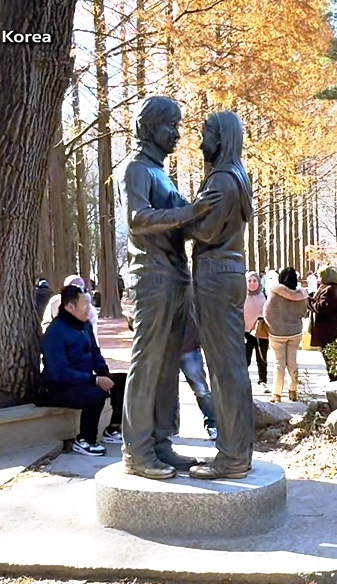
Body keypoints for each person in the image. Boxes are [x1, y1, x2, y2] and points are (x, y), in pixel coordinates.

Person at [118, 95, 220, 480]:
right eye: (171, 126)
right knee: (147, 363)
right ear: (150, 127)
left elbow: (186, 222)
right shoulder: (135, 169)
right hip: (152, 276)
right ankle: (137, 450)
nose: (177, 134)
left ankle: (160, 443)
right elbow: (138, 218)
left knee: (166, 367)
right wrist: (189, 211)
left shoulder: (161, 173)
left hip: (177, 277)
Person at [185, 110, 255, 480]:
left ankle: (231, 456)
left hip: (215, 273)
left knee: (224, 368)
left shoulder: (222, 181)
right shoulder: (237, 176)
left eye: (206, 134)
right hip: (230, 272)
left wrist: (183, 216)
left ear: (222, 138)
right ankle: (239, 448)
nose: (200, 142)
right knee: (230, 367)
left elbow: (206, 230)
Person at [40, 285, 125, 456]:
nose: (90, 308)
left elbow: (94, 352)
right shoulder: (55, 333)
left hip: (82, 381)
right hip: (57, 388)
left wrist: (103, 373)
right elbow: (59, 373)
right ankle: (85, 440)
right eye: (85, 303)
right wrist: (94, 380)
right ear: (70, 307)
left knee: (121, 380)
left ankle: (113, 428)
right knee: (95, 394)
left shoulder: (84, 326)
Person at [264, 267, 308, 403]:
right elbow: (304, 313)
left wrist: (271, 326)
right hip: (295, 332)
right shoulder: (302, 295)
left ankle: (277, 394)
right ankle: (293, 391)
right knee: (293, 362)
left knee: (279, 364)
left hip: (277, 333)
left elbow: (267, 311)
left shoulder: (275, 291)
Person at [180, 303, 218, 441]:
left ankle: (212, 423)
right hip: (164, 349)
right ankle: (166, 428)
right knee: (164, 393)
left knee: (201, 389)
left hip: (189, 348)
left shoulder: (192, 292)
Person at [310, 266, 337, 382]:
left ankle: (335, 382)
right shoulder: (331, 289)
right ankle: (335, 380)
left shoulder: (329, 291)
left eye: (321, 277)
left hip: (328, 332)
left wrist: (310, 301)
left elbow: (321, 308)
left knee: (330, 359)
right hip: (331, 331)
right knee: (330, 358)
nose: (319, 280)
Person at [43, 275, 100, 346]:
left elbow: (93, 333)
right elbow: (46, 323)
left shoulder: (89, 309)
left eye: (81, 288)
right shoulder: (54, 302)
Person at [243, 271, 269, 391]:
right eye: (249, 281)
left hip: (260, 332)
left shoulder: (264, 295)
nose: (252, 284)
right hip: (245, 332)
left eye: (254, 281)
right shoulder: (241, 296)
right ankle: (242, 381)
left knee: (262, 358)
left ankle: (263, 381)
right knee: (245, 358)